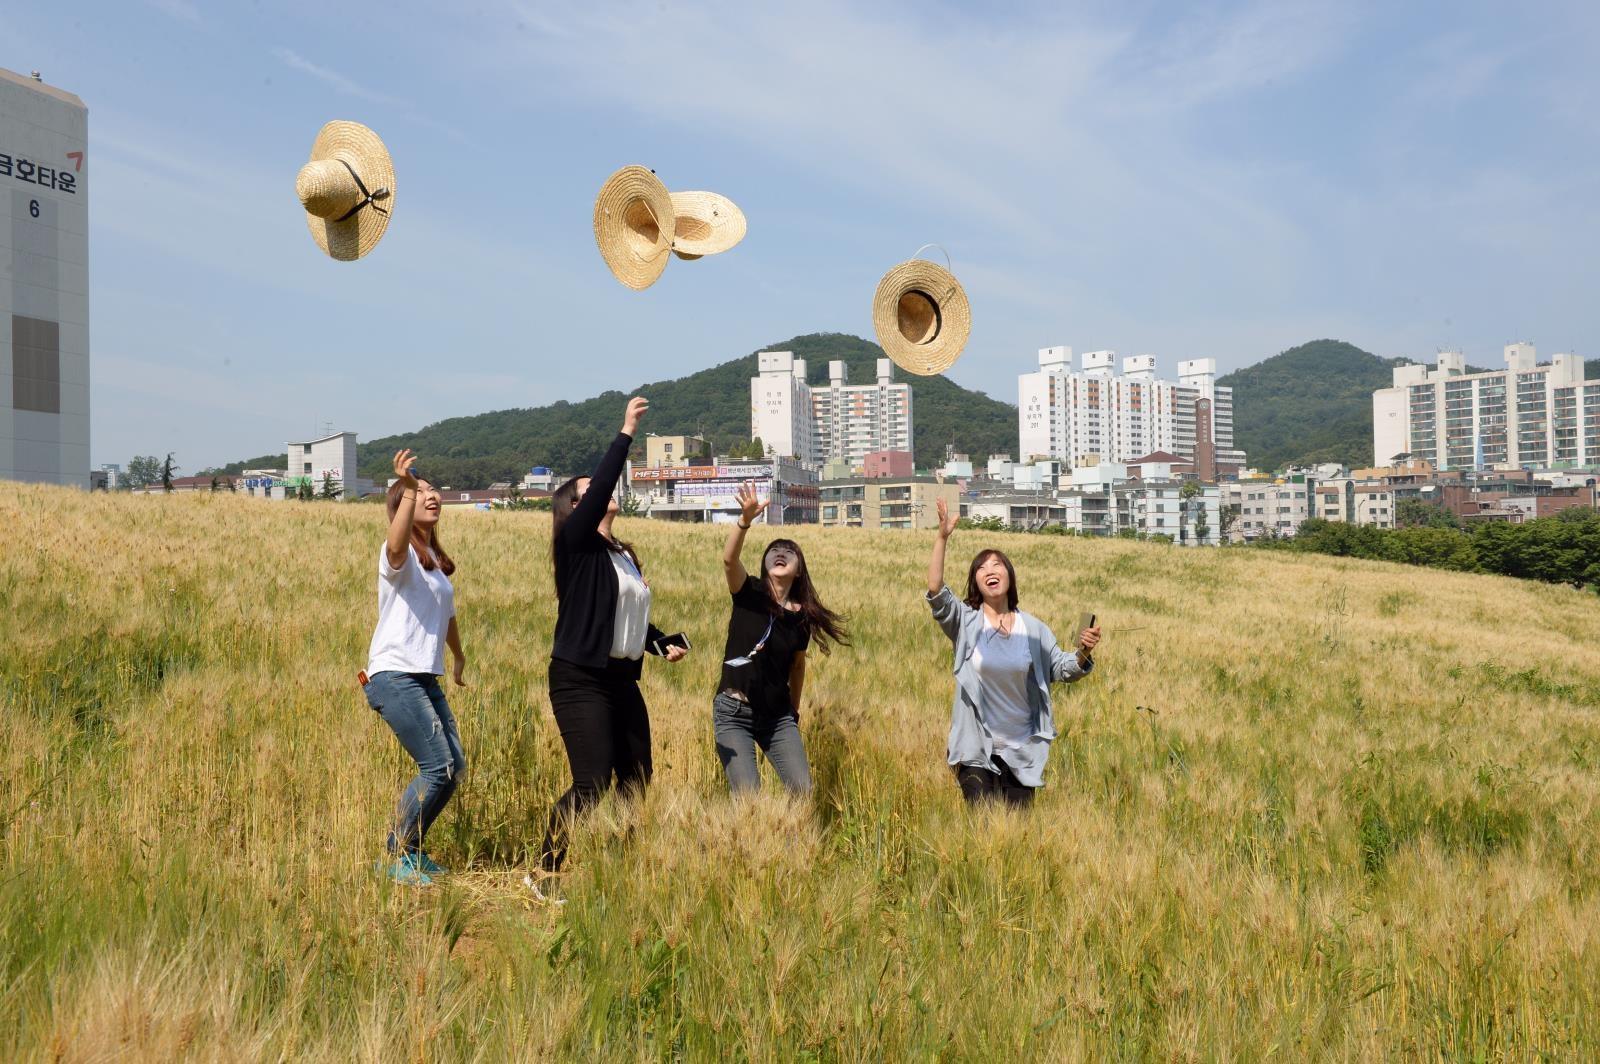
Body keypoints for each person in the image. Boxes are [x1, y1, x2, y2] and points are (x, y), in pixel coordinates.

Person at [533, 396, 687, 900]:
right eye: (586, 493)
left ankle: (619, 872)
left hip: (622, 679)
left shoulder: (623, 554)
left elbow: (628, 616)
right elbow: (601, 487)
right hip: (580, 678)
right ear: (574, 508)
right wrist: (625, 432)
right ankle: (545, 868)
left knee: (637, 777)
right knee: (593, 781)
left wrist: (661, 643)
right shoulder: (577, 544)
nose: (598, 495)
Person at [924, 497, 1100, 806]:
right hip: (975, 750)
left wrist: (1083, 651)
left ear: (1009, 574)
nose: (989, 570)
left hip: (1021, 754)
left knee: (1018, 836)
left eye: (996, 564)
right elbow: (936, 590)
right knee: (983, 833)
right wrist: (942, 537)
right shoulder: (966, 622)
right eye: (981, 568)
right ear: (976, 582)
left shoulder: (1034, 629)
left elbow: (1062, 668)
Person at [362, 449, 469, 886]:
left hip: (426, 676)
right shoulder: (398, 557)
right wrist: (407, 488)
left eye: (431, 491)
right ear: (402, 503)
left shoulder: (435, 567)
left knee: (455, 766)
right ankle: (397, 853)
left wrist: (458, 655)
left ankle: (413, 849)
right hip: (395, 674)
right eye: (421, 492)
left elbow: (447, 615)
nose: (432, 496)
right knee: (437, 767)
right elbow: (393, 543)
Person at [713, 481, 848, 795]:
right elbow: (729, 561)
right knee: (748, 796)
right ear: (764, 563)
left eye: (788, 552)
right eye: (774, 551)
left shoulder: (802, 617)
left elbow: (797, 667)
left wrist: (793, 712)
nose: (780, 553)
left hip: (777, 718)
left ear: (799, 570)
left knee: (802, 790)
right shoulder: (749, 593)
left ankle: (792, 844)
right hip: (734, 712)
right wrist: (744, 521)